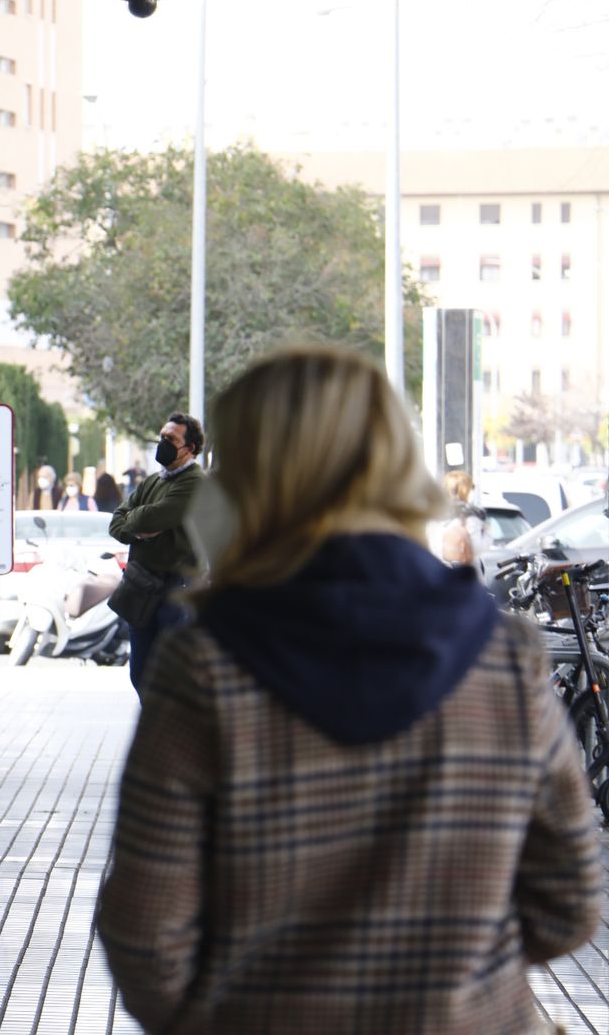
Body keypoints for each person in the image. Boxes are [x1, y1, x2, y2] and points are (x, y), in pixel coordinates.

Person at [97, 346, 601, 1034]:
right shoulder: (503, 659)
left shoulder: (205, 668)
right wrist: (456, 966)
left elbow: (143, 934)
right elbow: (569, 905)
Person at [108, 413, 205, 695]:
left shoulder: (195, 483)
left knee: (171, 677)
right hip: (142, 589)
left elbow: (150, 518)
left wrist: (136, 519)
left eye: (171, 439)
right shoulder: (152, 481)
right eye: (162, 436)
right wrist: (137, 526)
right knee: (140, 674)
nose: (163, 443)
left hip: (176, 591)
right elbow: (116, 522)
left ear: (190, 448)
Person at [434, 470, 490, 565]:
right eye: (471, 488)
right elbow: (475, 547)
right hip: (463, 569)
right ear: (465, 490)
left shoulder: (434, 515)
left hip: (438, 568)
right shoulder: (469, 515)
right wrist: (487, 534)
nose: (472, 492)